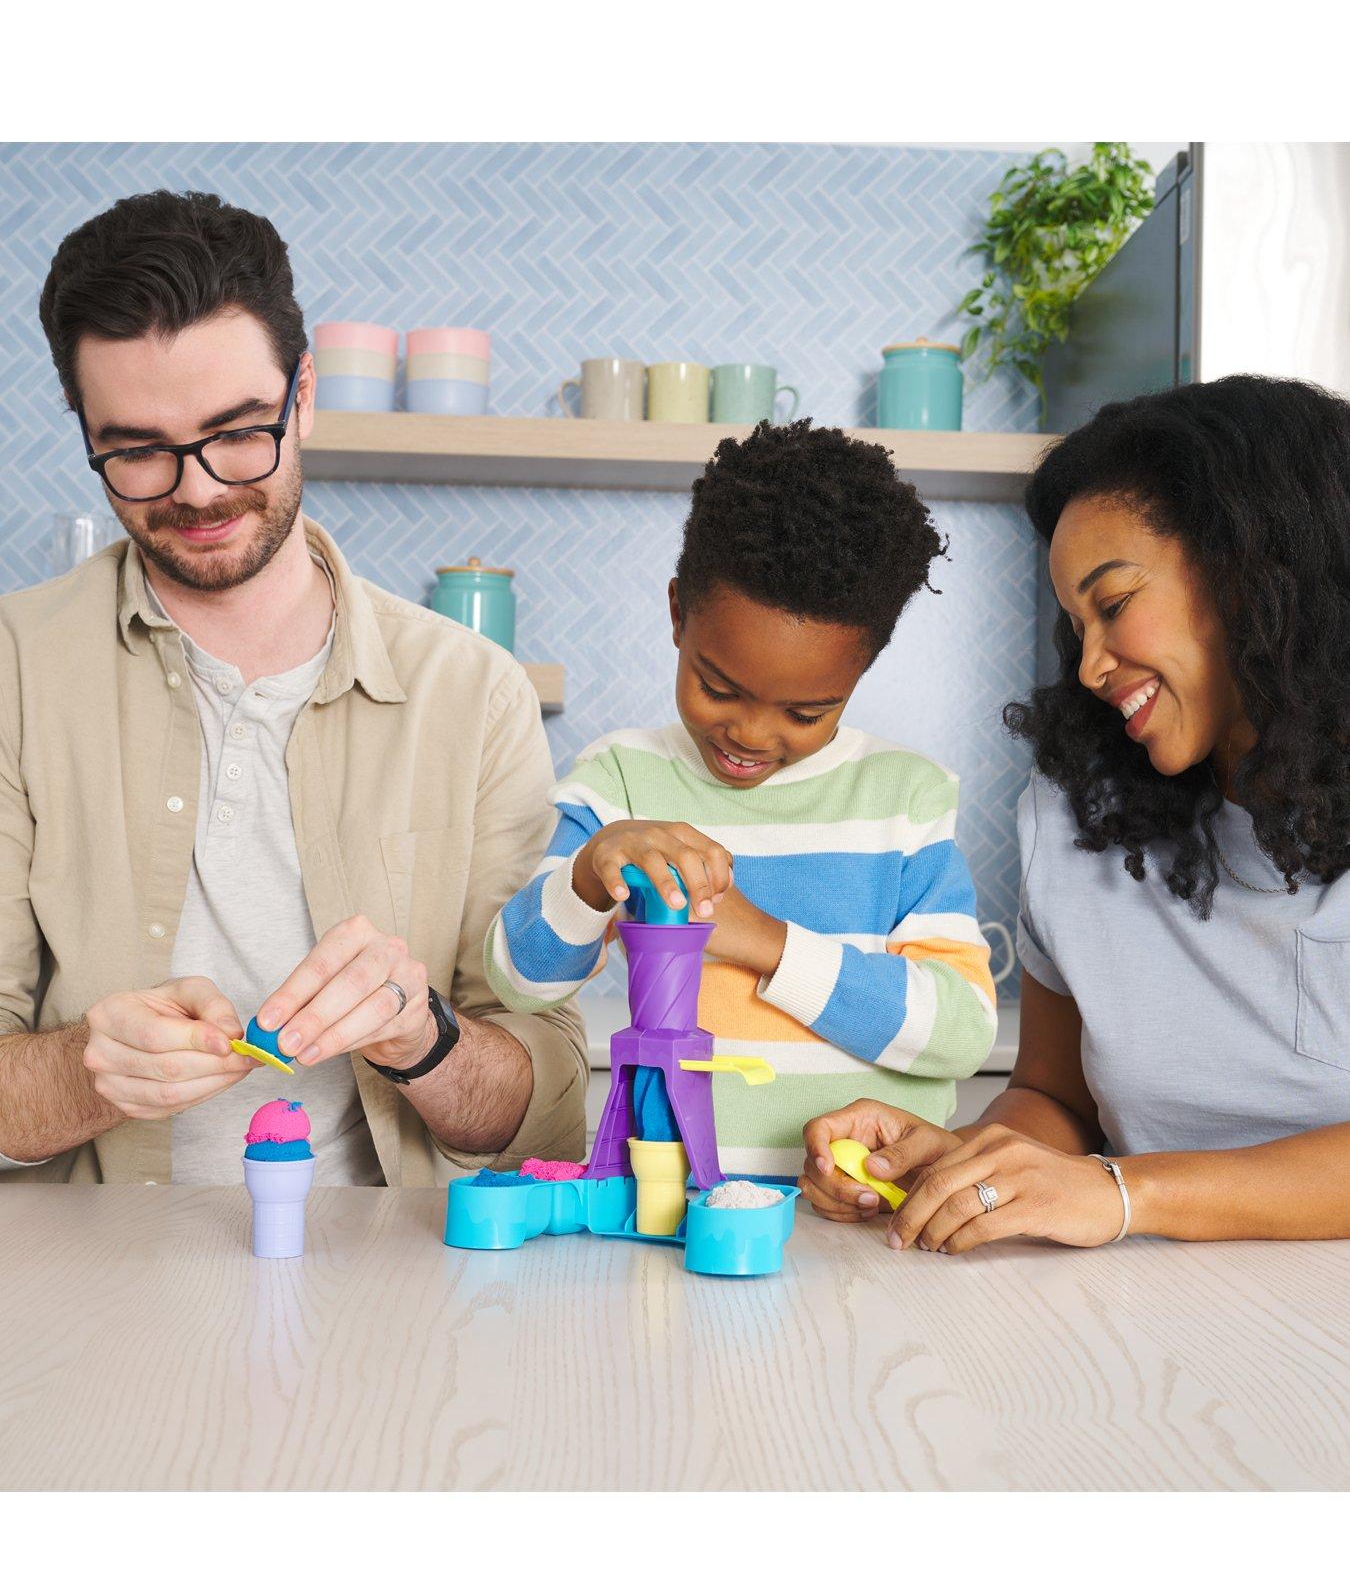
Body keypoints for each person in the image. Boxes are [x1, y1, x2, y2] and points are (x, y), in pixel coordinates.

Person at [0, 188, 585, 1185]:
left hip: (384, 1298)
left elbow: (544, 1120)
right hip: (83, 1291)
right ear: (83, 430)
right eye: (137, 450)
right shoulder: (15, 670)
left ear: (303, 393)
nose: (195, 489)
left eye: (237, 433)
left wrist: (425, 1041)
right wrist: (89, 1074)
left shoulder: (473, 696)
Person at [801, 375, 1350, 1248]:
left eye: (1115, 603)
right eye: (1075, 624)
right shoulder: (1076, 813)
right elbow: (1056, 1098)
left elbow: (1110, 1187)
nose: (1092, 665)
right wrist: (972, 1164)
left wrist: (1126, 1195)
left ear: (1251, 571)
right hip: (1135, 1320)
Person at [484, 419, 998, 1176]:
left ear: (862, 673)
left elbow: (962, 1032)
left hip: (866, 1223)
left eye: (806, 712)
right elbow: (520, 983)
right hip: (675, 1209)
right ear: (676, 615)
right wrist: (591, 873)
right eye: (719, 688)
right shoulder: (623, 781)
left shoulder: (904, 801)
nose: (752, 734)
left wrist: (763, 940)